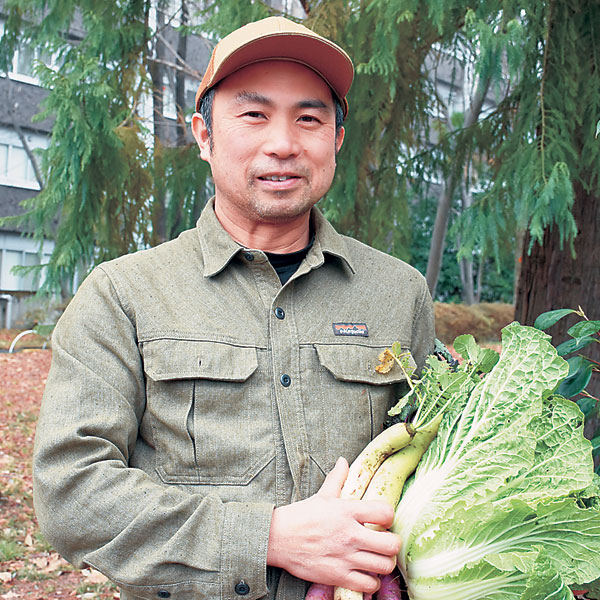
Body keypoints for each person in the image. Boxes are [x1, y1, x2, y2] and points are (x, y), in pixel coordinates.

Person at [33, 16, 435, 600]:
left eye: (309, 118)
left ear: (337, 139)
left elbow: (433, 455)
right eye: (253, 114)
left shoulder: (399, 293)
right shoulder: (124, 294)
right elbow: (71, 492)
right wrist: (267, 536)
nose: (283, 143)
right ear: (203, 134)